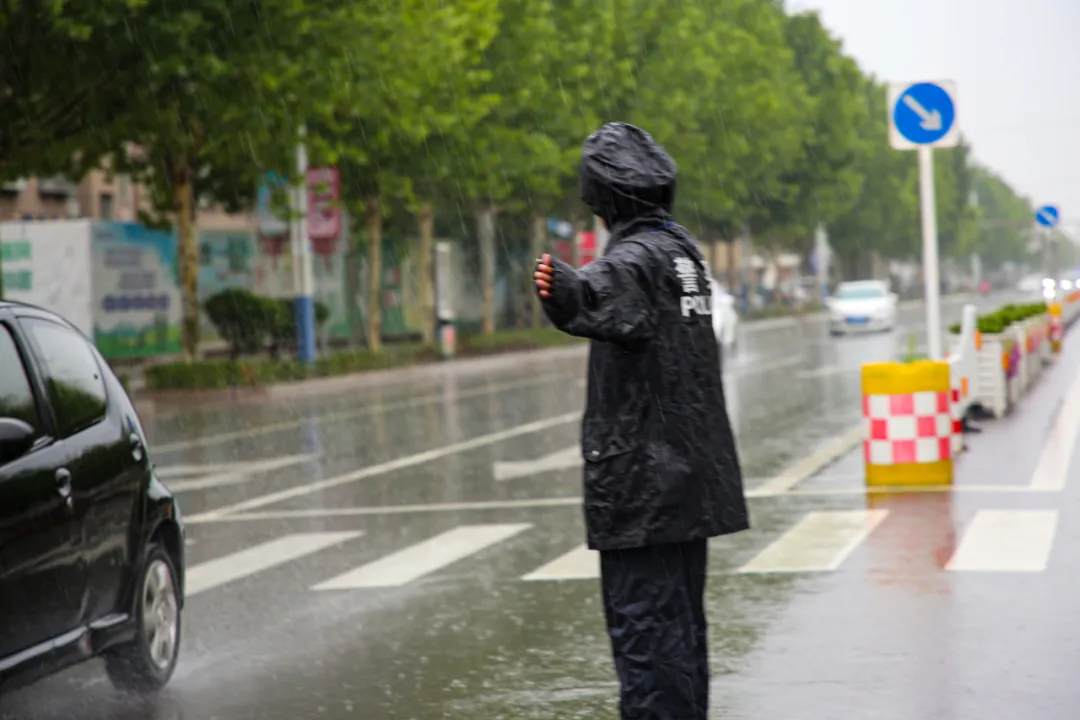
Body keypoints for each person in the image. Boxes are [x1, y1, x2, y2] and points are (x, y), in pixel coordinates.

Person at [533, 122, 749, 720]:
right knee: (679, 642)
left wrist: (566, 288)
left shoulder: (635, 257)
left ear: (603, 196)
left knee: (648, 648)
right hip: (685, 481)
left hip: (644, 489)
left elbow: (602, 292)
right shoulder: (682, 253)